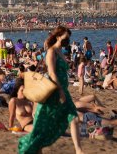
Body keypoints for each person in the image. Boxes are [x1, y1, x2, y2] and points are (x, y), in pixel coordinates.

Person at [18, 25, 84, 154]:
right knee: (43, 126)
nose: (68, 41)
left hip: (63, 90)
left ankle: (78, 150)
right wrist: (60, 91)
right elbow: (52, 73)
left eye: (69, 38)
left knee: (73, 118)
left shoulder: (60, 51)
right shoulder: (51, 51)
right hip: (54, 92)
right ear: (58, 36)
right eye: (66, 38)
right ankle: (32, 147)